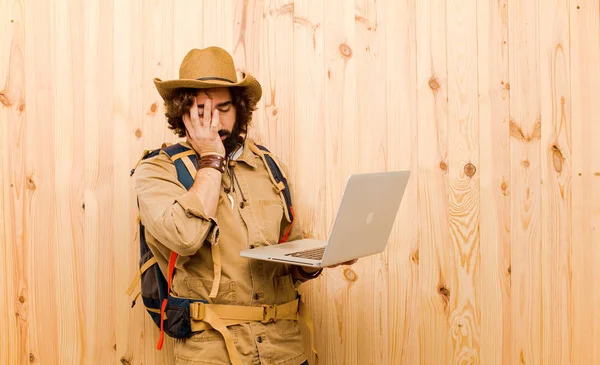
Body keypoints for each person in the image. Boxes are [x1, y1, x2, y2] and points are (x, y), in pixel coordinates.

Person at [134, 46, 356, 365]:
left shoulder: (269, 166)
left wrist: (318, 259)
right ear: (183, 112)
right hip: (212, 353)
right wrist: (211, 157)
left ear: (239, 109)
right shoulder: (157, 170)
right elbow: (185, 237)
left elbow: (288, 254)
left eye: (224, 108)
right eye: (202, 110)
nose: (215, 121)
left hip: (285, 350)